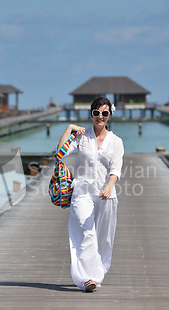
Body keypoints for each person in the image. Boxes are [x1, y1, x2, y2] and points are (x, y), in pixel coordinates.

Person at [56, 97, 124, 292]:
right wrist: (69, 128)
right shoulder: (82, 136)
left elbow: (116, 169)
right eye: (96, 113)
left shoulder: (116, 142)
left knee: (104, 238)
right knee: (87, 230)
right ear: (91, 114)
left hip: (105, 193)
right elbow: (60, 153)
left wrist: (109, 186)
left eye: (104, 113)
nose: (100, 117)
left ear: (110, 114)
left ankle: (99, 270)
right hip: (82, 191)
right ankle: (88, 277)